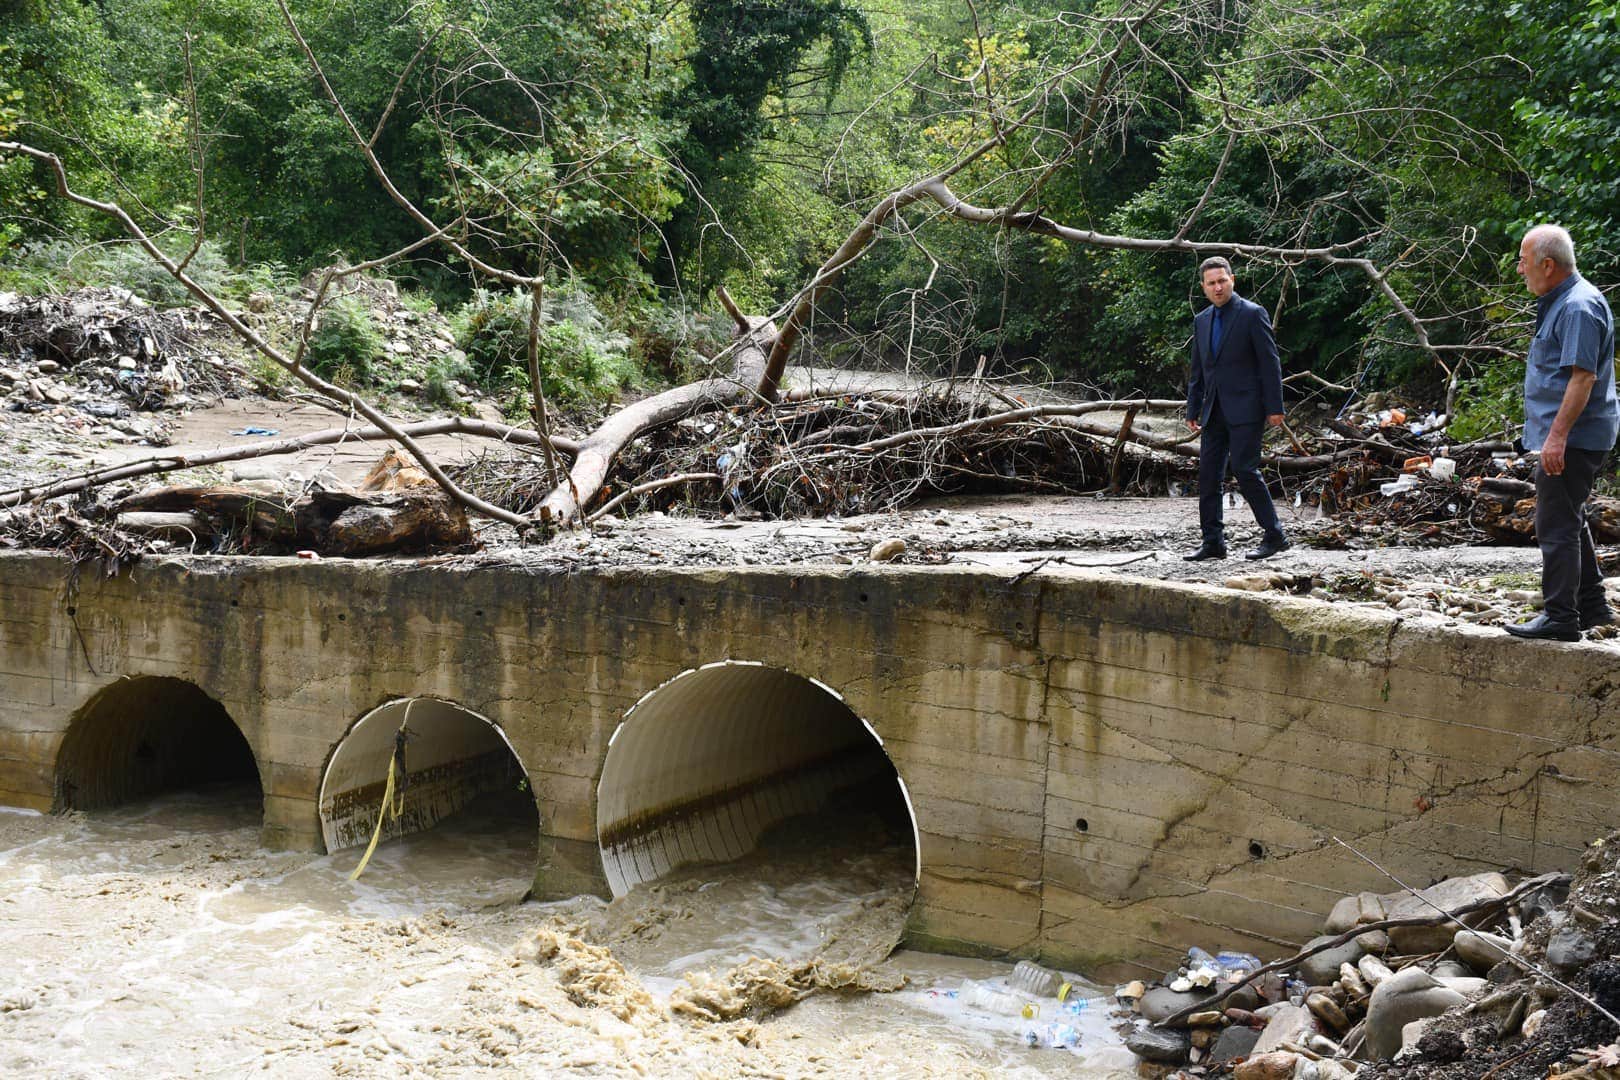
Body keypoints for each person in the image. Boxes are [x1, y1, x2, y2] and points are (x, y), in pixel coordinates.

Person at [1505, 224, 1619, 641]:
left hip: (1576, 436)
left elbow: (1583, 378)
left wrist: (1556, 438)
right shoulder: (1564, 301)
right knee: (1568, 517)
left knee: (1554, 524)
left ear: (1547, 265)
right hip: (1573, 434)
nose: (1520, 270)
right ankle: (1592, 606)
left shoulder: (1576, 307)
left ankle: (1560, 618)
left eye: (1523, 261)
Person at [1183, 256, 1290, 561]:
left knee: (1245, 471)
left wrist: (1275, 407)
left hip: (1247, 408)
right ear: (1203, 287)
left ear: (1233, 280)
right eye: (1211, 283)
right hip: (1213, 410)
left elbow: (1270, 364)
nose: (1218, 287)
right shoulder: (1202, 320)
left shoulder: (1252, 314)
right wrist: (1193, 408)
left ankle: (1275, 536)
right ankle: (1213, 542)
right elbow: (1198, 370)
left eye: (1222, 281)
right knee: (1208, 477)